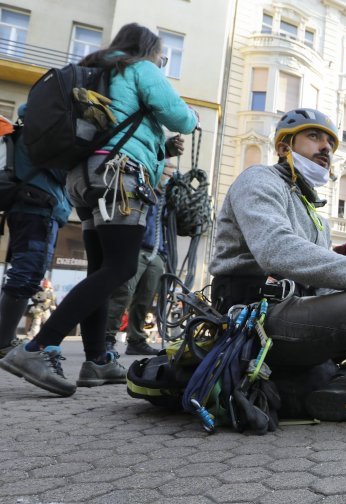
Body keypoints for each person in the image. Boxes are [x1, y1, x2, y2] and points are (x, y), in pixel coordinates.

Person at [0, 23, 198, 397]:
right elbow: (180, 117)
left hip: (83, 179)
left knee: (100, 268)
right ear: (150, 50)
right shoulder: (140, 68)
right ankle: (37, 347)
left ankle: (97, 360)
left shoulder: (96, 72)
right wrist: (192, 118)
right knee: (121, 266)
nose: (161, 61)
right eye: (162, 56)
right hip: (120, 178)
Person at [209, 108, 346, 424]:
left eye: (330, 143)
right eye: (314, 136)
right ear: (284, 148)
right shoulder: (258, 179)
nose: (326, 148)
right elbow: (274, 248)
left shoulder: (315, 216)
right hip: (255, 314)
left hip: (298, 309)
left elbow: (324, 283)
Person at [0, 107, 71, 360]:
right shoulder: (40, 136)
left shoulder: (25, 134)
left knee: (24, 272)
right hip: (37, 211)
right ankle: (3, 341)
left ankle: (4, 338)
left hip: (28, 209)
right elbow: (64, 171)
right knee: (27, 273)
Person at [105, 160, 179, 356]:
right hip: (136, 247)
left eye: (172, 175)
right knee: (123, 293)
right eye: (167, 174)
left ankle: (136, 338)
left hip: (156, 252)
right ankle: (107, 336)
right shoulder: (143, 188)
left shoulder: (168, 200)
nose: (169, 178)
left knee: (146, 297)